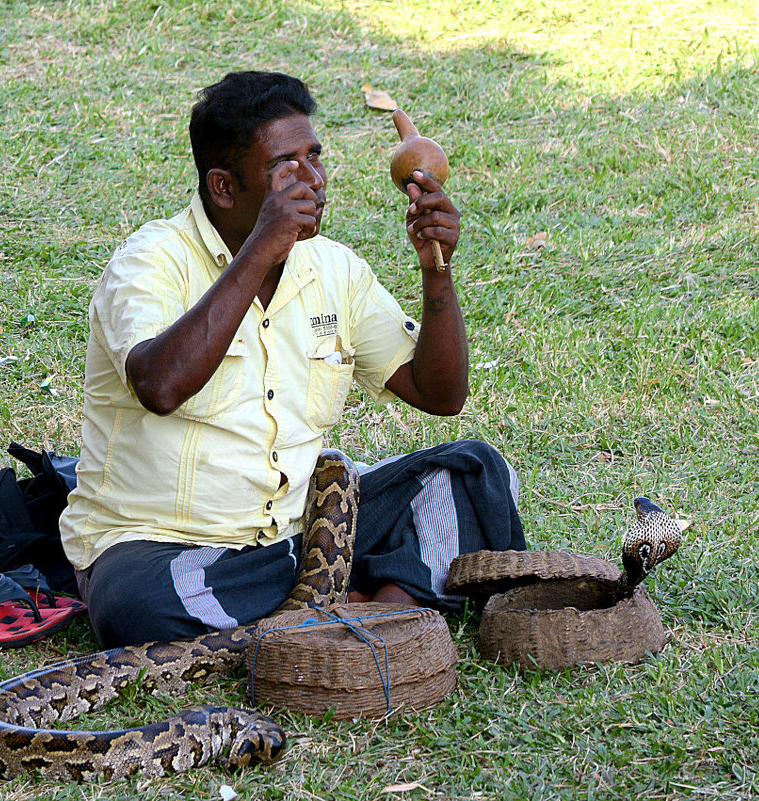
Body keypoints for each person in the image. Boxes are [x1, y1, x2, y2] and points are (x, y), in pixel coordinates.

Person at [59, 71, 523, 648]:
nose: (315, 180)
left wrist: (437, 270)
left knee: (471, 473)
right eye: (287, 168)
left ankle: (365, 614)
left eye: (315, 157)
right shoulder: (150, 261)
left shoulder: (335, 269)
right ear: (224, 188)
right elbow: (159, 384)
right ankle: (362, 611)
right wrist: (262, 248)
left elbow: (440, 395)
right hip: (166, 545)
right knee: (143, 606)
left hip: (304, 531)